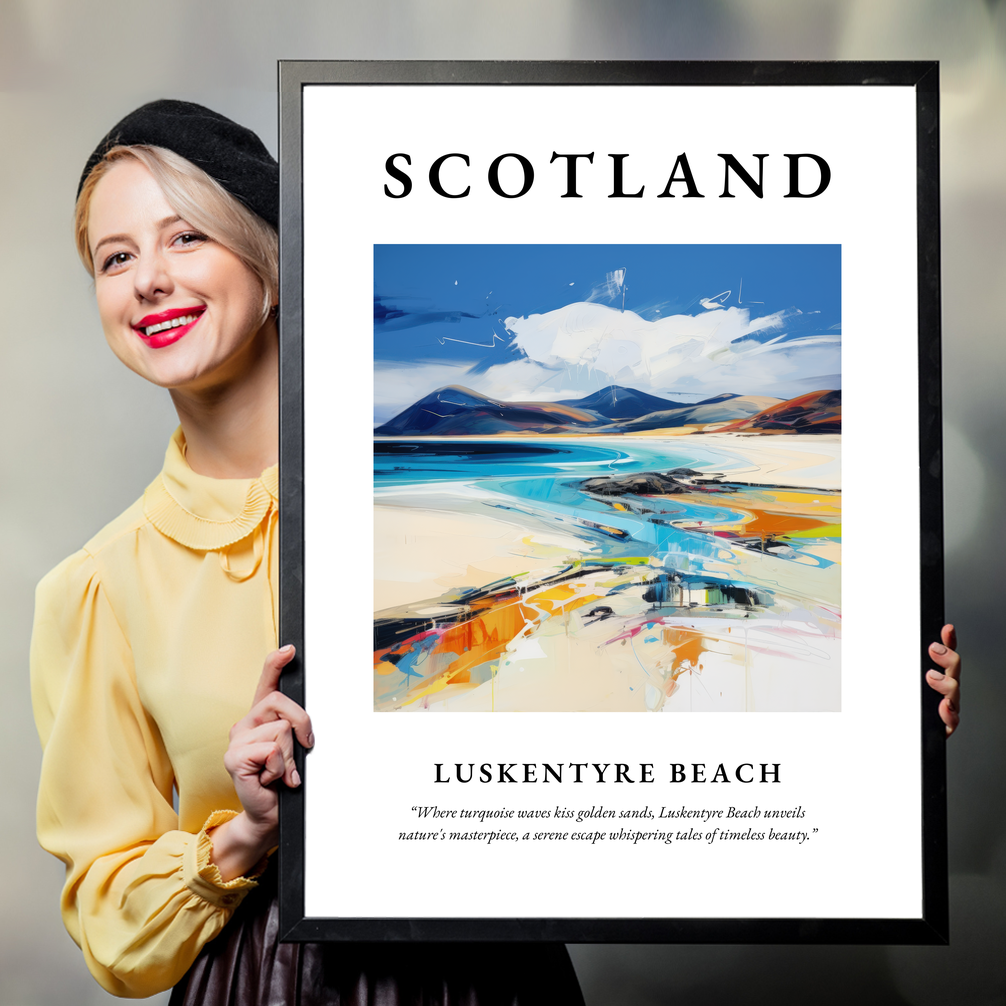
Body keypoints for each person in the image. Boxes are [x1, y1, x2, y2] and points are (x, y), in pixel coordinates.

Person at [30, 100, 586, 1004]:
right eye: (116, 257)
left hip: (492, 974)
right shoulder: (97, 587)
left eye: (185, 239)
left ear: (273, 263)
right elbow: (110, 923)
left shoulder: (454, 497)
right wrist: (245, 832)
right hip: (262, 982)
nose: (148, 281)